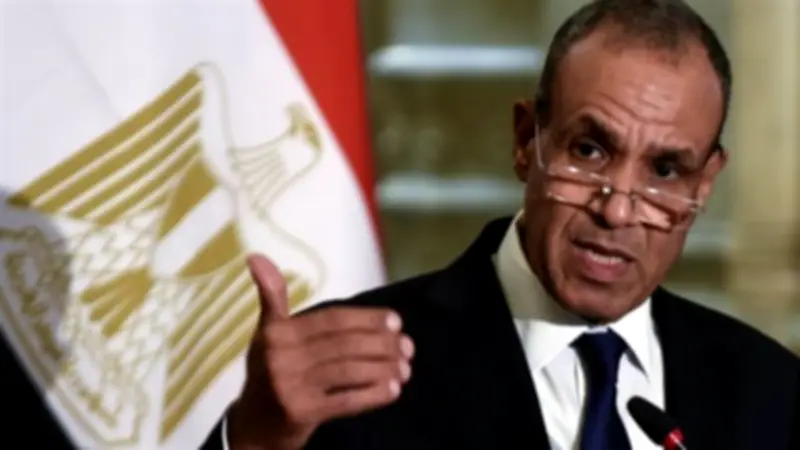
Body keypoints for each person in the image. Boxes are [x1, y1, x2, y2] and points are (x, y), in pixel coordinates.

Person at [210, 0, 800, 449]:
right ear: (525, 141)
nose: (617, 211)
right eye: (589, 150)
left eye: (665, 170)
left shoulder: (772, 391)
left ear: (703, 185)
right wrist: (256, 440)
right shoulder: (350, 380)